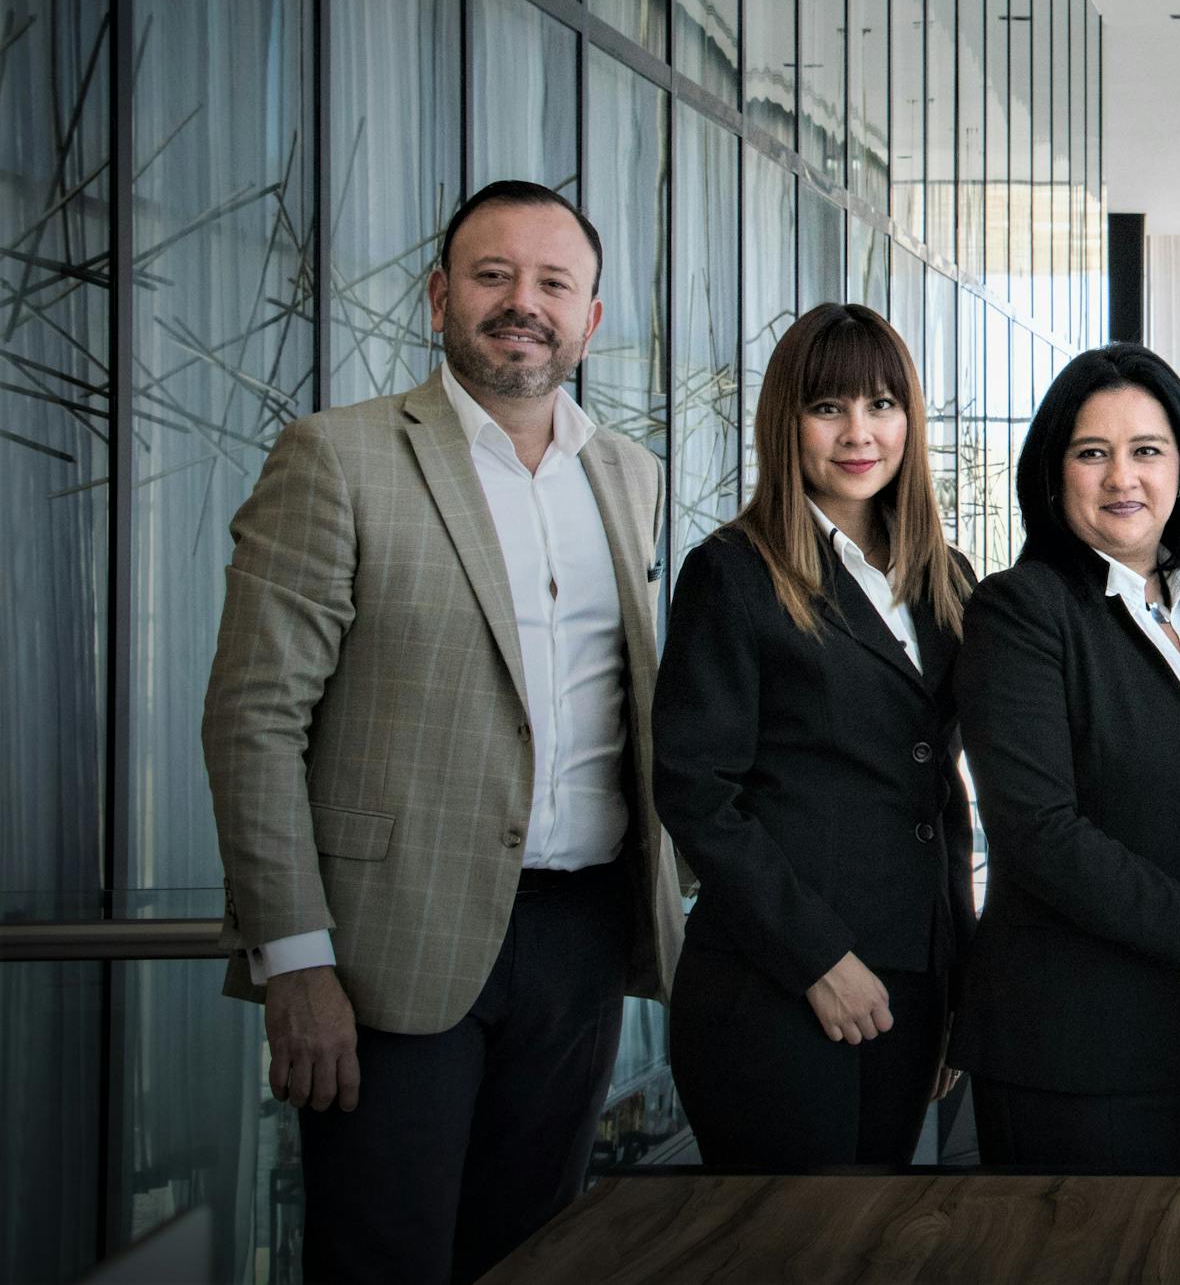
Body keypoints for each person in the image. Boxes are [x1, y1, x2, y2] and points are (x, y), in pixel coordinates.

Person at [200, 181, 686, 1284]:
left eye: (553, 283)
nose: (524, 303)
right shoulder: (337, 457)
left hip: (579, 936)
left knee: (533, 1251)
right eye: (493, 276)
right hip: (386, 946)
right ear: (438, 297)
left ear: (591, 318)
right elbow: (252, 720)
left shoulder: (628, 475)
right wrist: (295, 958)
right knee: (383, 1256)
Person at [653, 304, 976, 1170]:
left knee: (873, 1245)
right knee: (793, 1249)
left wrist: (959, 986)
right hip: (778, 983)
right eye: (828, 407)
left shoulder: (944, 580)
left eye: (881, 404)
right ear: (785, 422)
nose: (858, 433)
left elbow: (944, 796)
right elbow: (696, 791)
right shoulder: (733, 571)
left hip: (912, 981)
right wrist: (817, 956)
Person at [949, 344, 1180, 1169]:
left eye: (1147, 451)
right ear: (1055, 474)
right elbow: (1040, 831)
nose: (1122, 476)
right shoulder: (1021, 610)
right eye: (1093, 452)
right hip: (1072, 1046)